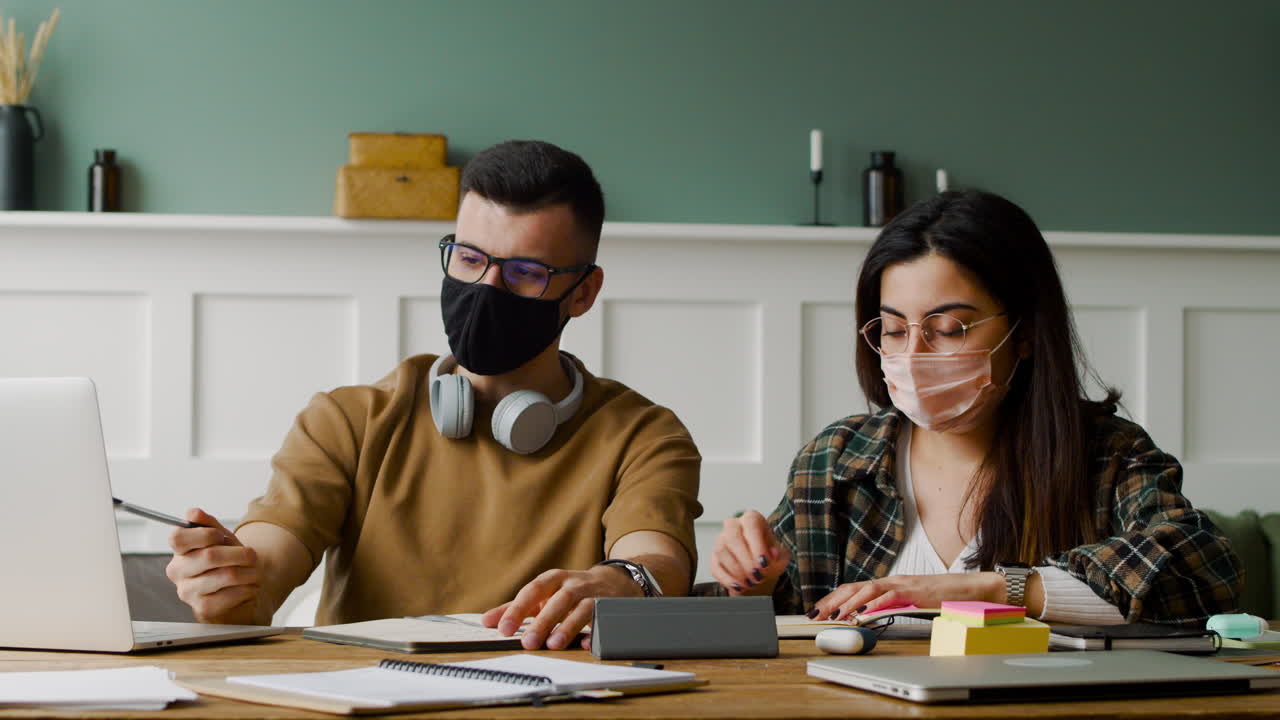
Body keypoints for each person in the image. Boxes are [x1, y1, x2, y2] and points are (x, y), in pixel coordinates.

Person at [166, 140, 702, 650]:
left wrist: (624, 582)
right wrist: (227, 582)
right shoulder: (349, 419)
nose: (487, 289)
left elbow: (656, 559)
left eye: (524, 273)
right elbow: (266, 565)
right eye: (469, 259)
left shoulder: (643, 434)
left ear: (582, 292)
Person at [710, 190, 1241, 626]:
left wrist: (990, 588)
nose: (913, 355)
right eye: (893, 330)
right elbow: (787, 626)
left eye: (949, 329)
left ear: (1026, 331)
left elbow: (1202, 569)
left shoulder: (1106, 455)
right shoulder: (837, 460)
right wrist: (756, 581)